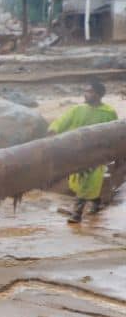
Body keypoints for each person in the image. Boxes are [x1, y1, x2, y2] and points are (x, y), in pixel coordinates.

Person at [49, 79, 118, 223]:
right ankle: (96, 201)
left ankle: (77, 213)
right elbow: (63, 121)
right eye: (85, 91)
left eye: (90, 91)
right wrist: (54, 130)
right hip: (77, 152)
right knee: (77, 182)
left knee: (88, 180)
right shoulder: (78, 109)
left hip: (96, 155)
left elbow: (113, 134)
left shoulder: (108, 113)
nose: (86, 94)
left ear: (99, 94)